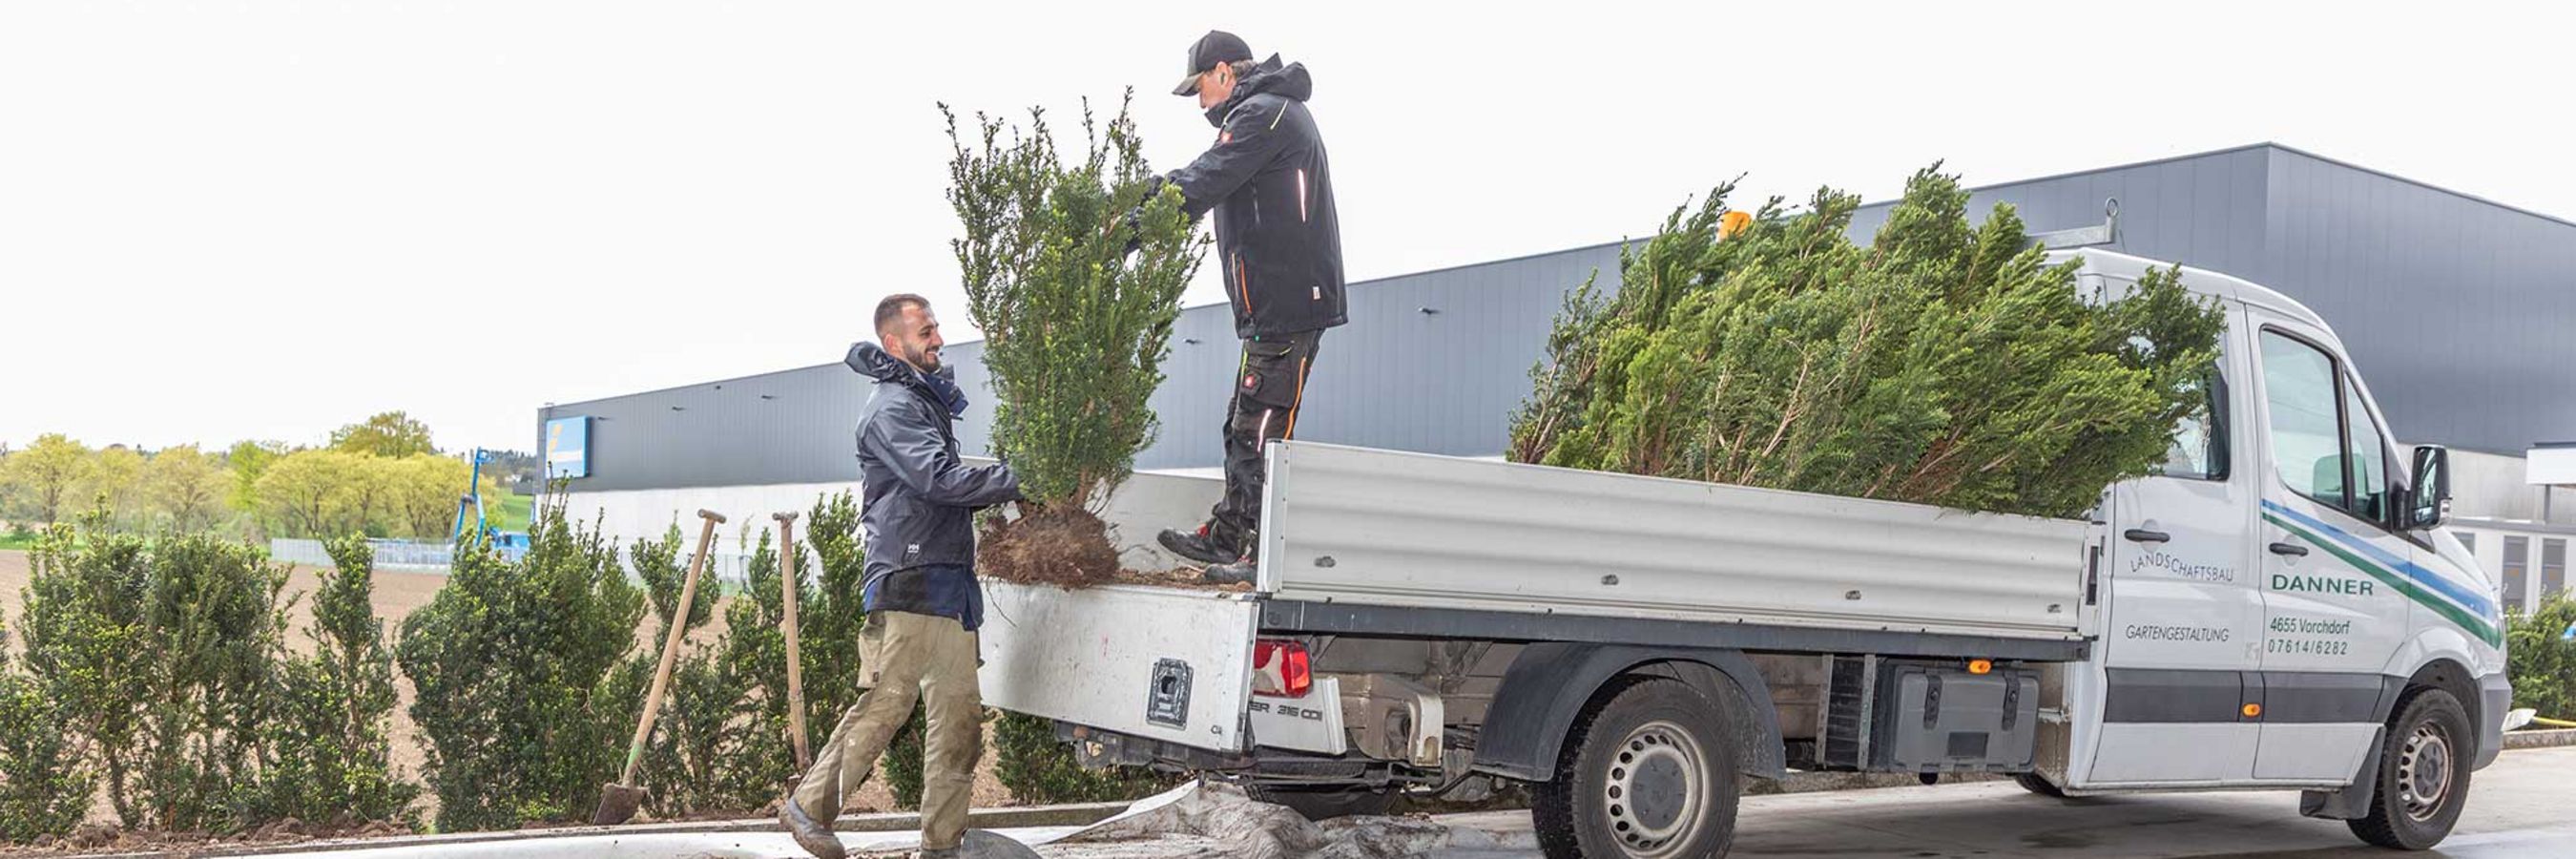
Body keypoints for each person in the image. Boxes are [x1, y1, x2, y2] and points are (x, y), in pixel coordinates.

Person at [779, 294, 1020, 859]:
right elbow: (939, 480)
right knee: (888, 702)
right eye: (926, 331)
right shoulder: (892, 408)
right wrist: (1016, 477)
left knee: (958, 720)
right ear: (894, 343)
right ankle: (809, 807)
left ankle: (943, 844)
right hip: (909, 576)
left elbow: (948, 481)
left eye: (937, 328)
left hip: (948, 586)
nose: (938, 338)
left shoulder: (921, 401)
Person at [1148, 30, 1346, 585]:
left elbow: (1205, 181)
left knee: (1260, 428)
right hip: (1274, 306)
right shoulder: (1263, 113)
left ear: (1223, 73)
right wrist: (1142, 195)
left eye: (1200, 89)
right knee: (1245, 423)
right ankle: (1229, 535)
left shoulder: (1265, 114)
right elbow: (1201, 174)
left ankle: (1252, 554)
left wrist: (1137, 226)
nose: (1200, 103)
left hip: (1287, 303)